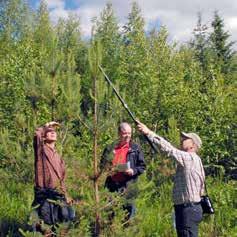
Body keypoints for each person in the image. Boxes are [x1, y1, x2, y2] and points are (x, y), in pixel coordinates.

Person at [137, 121, 205, 237]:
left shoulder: (190, 158)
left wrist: (149, 133)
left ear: (193, 145)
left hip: (188, 209)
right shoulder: (191, 159)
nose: (182, 139)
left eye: (185, 139)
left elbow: (169, 150)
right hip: (187, 208)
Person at [32, 121, 75, 236]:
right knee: (46, 227)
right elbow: (37, 135)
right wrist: (46, 125)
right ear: (44, 137)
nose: (52, 133)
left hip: (58, 195)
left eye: (54, 131)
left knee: (63, 223)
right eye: (49, 132)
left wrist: (66, 195)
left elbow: (62, 179)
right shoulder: (41, 151)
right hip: (44, 196)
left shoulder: (58, 156)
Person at [100, 122, 146, 220]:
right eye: (125, 133)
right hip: (112, 187)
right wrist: (109, 162)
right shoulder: (110, 147)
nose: (127, 136)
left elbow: (142, 166)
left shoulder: (135, 148)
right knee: (109, 215)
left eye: (129, 133)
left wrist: (132, 171)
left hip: (128, 186)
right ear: (119, 133)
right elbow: (102, 166)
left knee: (128, 217)